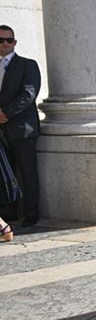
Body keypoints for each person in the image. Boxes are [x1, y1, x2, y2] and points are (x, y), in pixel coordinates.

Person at [0, 25, 41, 227]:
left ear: (15, 42)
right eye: (1, 40)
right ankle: (9, 211)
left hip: (22, 129)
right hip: (1, 132)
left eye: (9, 40)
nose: (5, 44)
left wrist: (5, 113)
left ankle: (32, 212)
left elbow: (29, 93)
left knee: (27, 172)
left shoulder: (27, 65)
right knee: (5, 173)